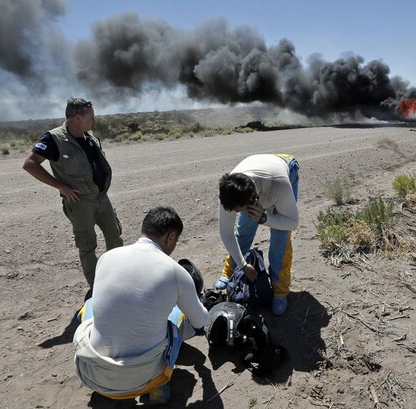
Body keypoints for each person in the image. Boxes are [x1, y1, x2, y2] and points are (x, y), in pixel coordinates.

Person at [73, 206, 208, 405]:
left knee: (91, 304)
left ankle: (109, 382)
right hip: (143, 379)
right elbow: (201, 321)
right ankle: (156, 389)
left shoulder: (106, 258)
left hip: (94, 375)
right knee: (178, 315)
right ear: (170, 237)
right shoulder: (175, 271)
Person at [23, 98, 123, 292]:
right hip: (79, 202)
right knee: (88, 246)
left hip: (101, 198)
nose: (94, 120)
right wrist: (60, 186)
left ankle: (118, 279)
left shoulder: (89, 136)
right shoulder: (54, 139)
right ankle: (98, 290)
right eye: (91, 116)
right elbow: (29, 164)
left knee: (115, 239)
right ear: (78, 117)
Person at [215, 154, 300, 316]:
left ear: (251, 199)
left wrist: (264, 218)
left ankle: (280, 291)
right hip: (262, 167)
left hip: (284, 170)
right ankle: (229, 271)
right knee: (243, 233)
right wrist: (242, 264)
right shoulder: (229, 191)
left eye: (240, 209)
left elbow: (292, 222)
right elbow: (226, 232)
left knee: (280, 240)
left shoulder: (279, 186)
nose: (237, 212)